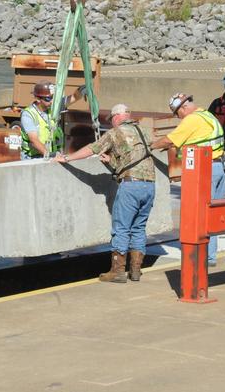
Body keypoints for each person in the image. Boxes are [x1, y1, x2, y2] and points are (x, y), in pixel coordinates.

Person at [54, 103, 154, 283]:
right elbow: (135, 158)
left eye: (111, 120)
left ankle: (117, 271)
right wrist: (112, 162)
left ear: (116, 117)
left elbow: (91, 149)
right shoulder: (144, 131)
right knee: (138, 228)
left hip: (131, 186)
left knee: (121, 228)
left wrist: (66, 158)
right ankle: (136, 271)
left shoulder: (115, 133)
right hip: (149, 186)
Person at [152, 93, 225, 266]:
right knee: (211, 215)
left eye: (177, 113)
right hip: (218, 166)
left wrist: (150, 147)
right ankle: (210, 256)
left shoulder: (191, 120)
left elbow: (169, 140)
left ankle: (205, 256)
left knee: (200, 214)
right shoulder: (207, 115)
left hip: (205, 170)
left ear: (183, 107)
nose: (178, 117)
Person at [19, 82, 58, 159]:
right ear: (38, 99)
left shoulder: (51, 109)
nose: (52, 101)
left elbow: (71, 99)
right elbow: (34, 141)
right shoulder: (28, 114)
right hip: (32, 158)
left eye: (53, 97)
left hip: (47, 155)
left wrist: (80, 91)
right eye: (48, 98)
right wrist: (49, 155)